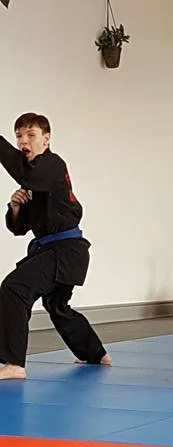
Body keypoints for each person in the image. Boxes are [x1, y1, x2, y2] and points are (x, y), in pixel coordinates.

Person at [0, 113, 110, 380]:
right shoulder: (35, 180)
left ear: (46, 139)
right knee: (57, 305)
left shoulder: (52, 165)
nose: (23, 141)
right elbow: (19, 228)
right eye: (18, 136)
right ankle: (95, 354)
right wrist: (15, 207)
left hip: (65, 249)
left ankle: (13, 363)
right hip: (58, 251)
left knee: (14, 290)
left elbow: (25, 172)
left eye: (30, 135)